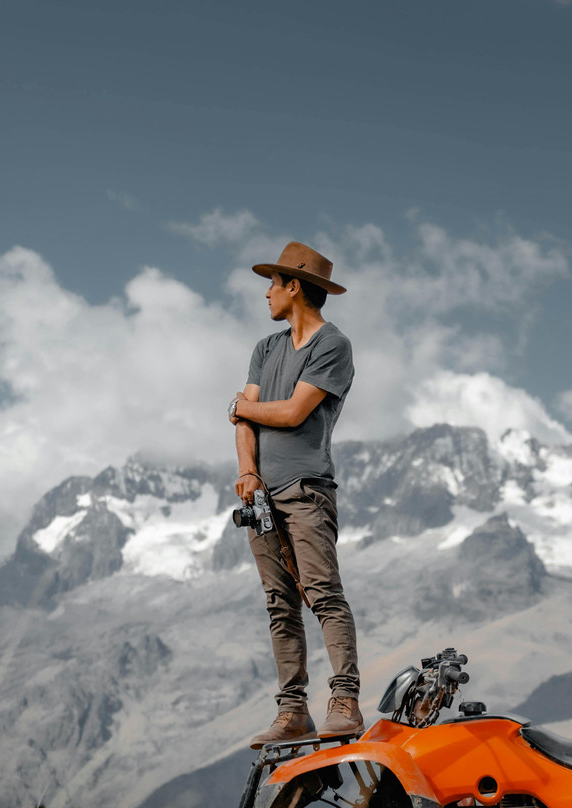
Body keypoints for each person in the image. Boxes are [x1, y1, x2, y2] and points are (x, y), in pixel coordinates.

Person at [229, 241, 363, 749]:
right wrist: (247, 469)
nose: (266, 293)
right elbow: (245, 418)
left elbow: (289, 414)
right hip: (260, 497)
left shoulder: (333, 346)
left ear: (294, 287)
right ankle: (293, 713)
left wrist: (239, 408)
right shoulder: (265, 349)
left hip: (307, 490)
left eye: (273, 283)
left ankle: (344, 701)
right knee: (279, 604)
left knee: (323, 594)